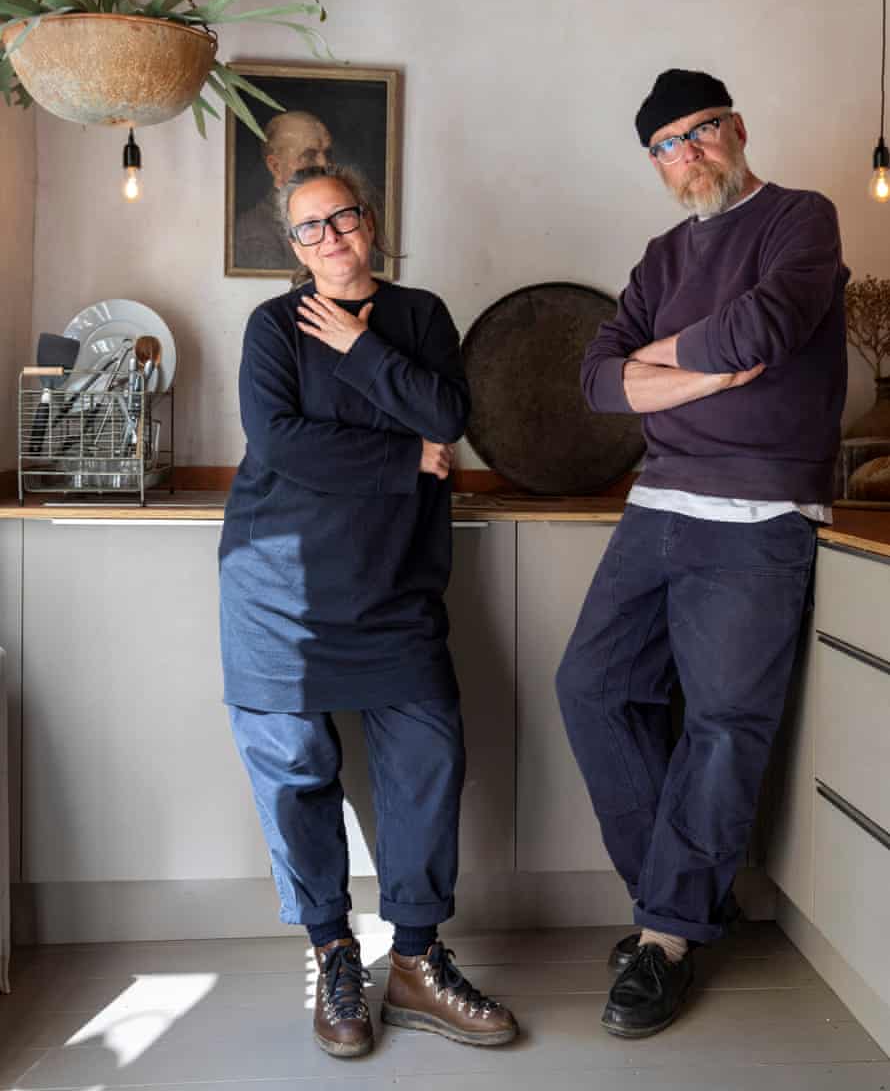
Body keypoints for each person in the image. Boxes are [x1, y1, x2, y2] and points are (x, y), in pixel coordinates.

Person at [556, 69, 848, 1039]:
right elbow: (597, 382)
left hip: (760, 512)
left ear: (736, 125)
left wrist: (653, 367)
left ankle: (666, 938)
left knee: (722, 720)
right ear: (654, 165)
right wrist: (702, 369)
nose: (688, 153)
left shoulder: (799, 218)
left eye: (702, 129)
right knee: (591, 686)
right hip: (658, 504)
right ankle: (668, 909)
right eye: (667, 145)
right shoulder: (656, 257)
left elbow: (764, 328)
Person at [219, 163, 518, 1058]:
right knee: (298, 771)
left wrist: (359, 348)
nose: (331, 238)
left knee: (429, 758)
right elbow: (280, 442)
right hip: (277, 589)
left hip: (394, 585)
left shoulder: (420, 317)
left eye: (342, 218)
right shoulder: (272, 326)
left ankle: (419, 962)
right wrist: (403, 461)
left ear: (371, 221)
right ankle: (334, 954)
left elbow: (448, 413)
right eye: (309, 229)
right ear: (293, 246)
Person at [234, 111, 334, 270]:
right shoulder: (255, 231)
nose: (324, 164)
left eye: (328, 153)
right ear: (276, 166)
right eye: (309, 155)